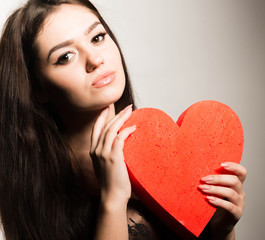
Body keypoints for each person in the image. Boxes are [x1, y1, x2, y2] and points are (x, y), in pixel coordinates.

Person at [0, 0, 247, 239]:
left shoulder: (159, 152)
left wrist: (221, 231)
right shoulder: (39, 191)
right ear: (37, 88)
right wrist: (114, 198)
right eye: (66, 56)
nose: (96, 60)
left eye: (97, 38)